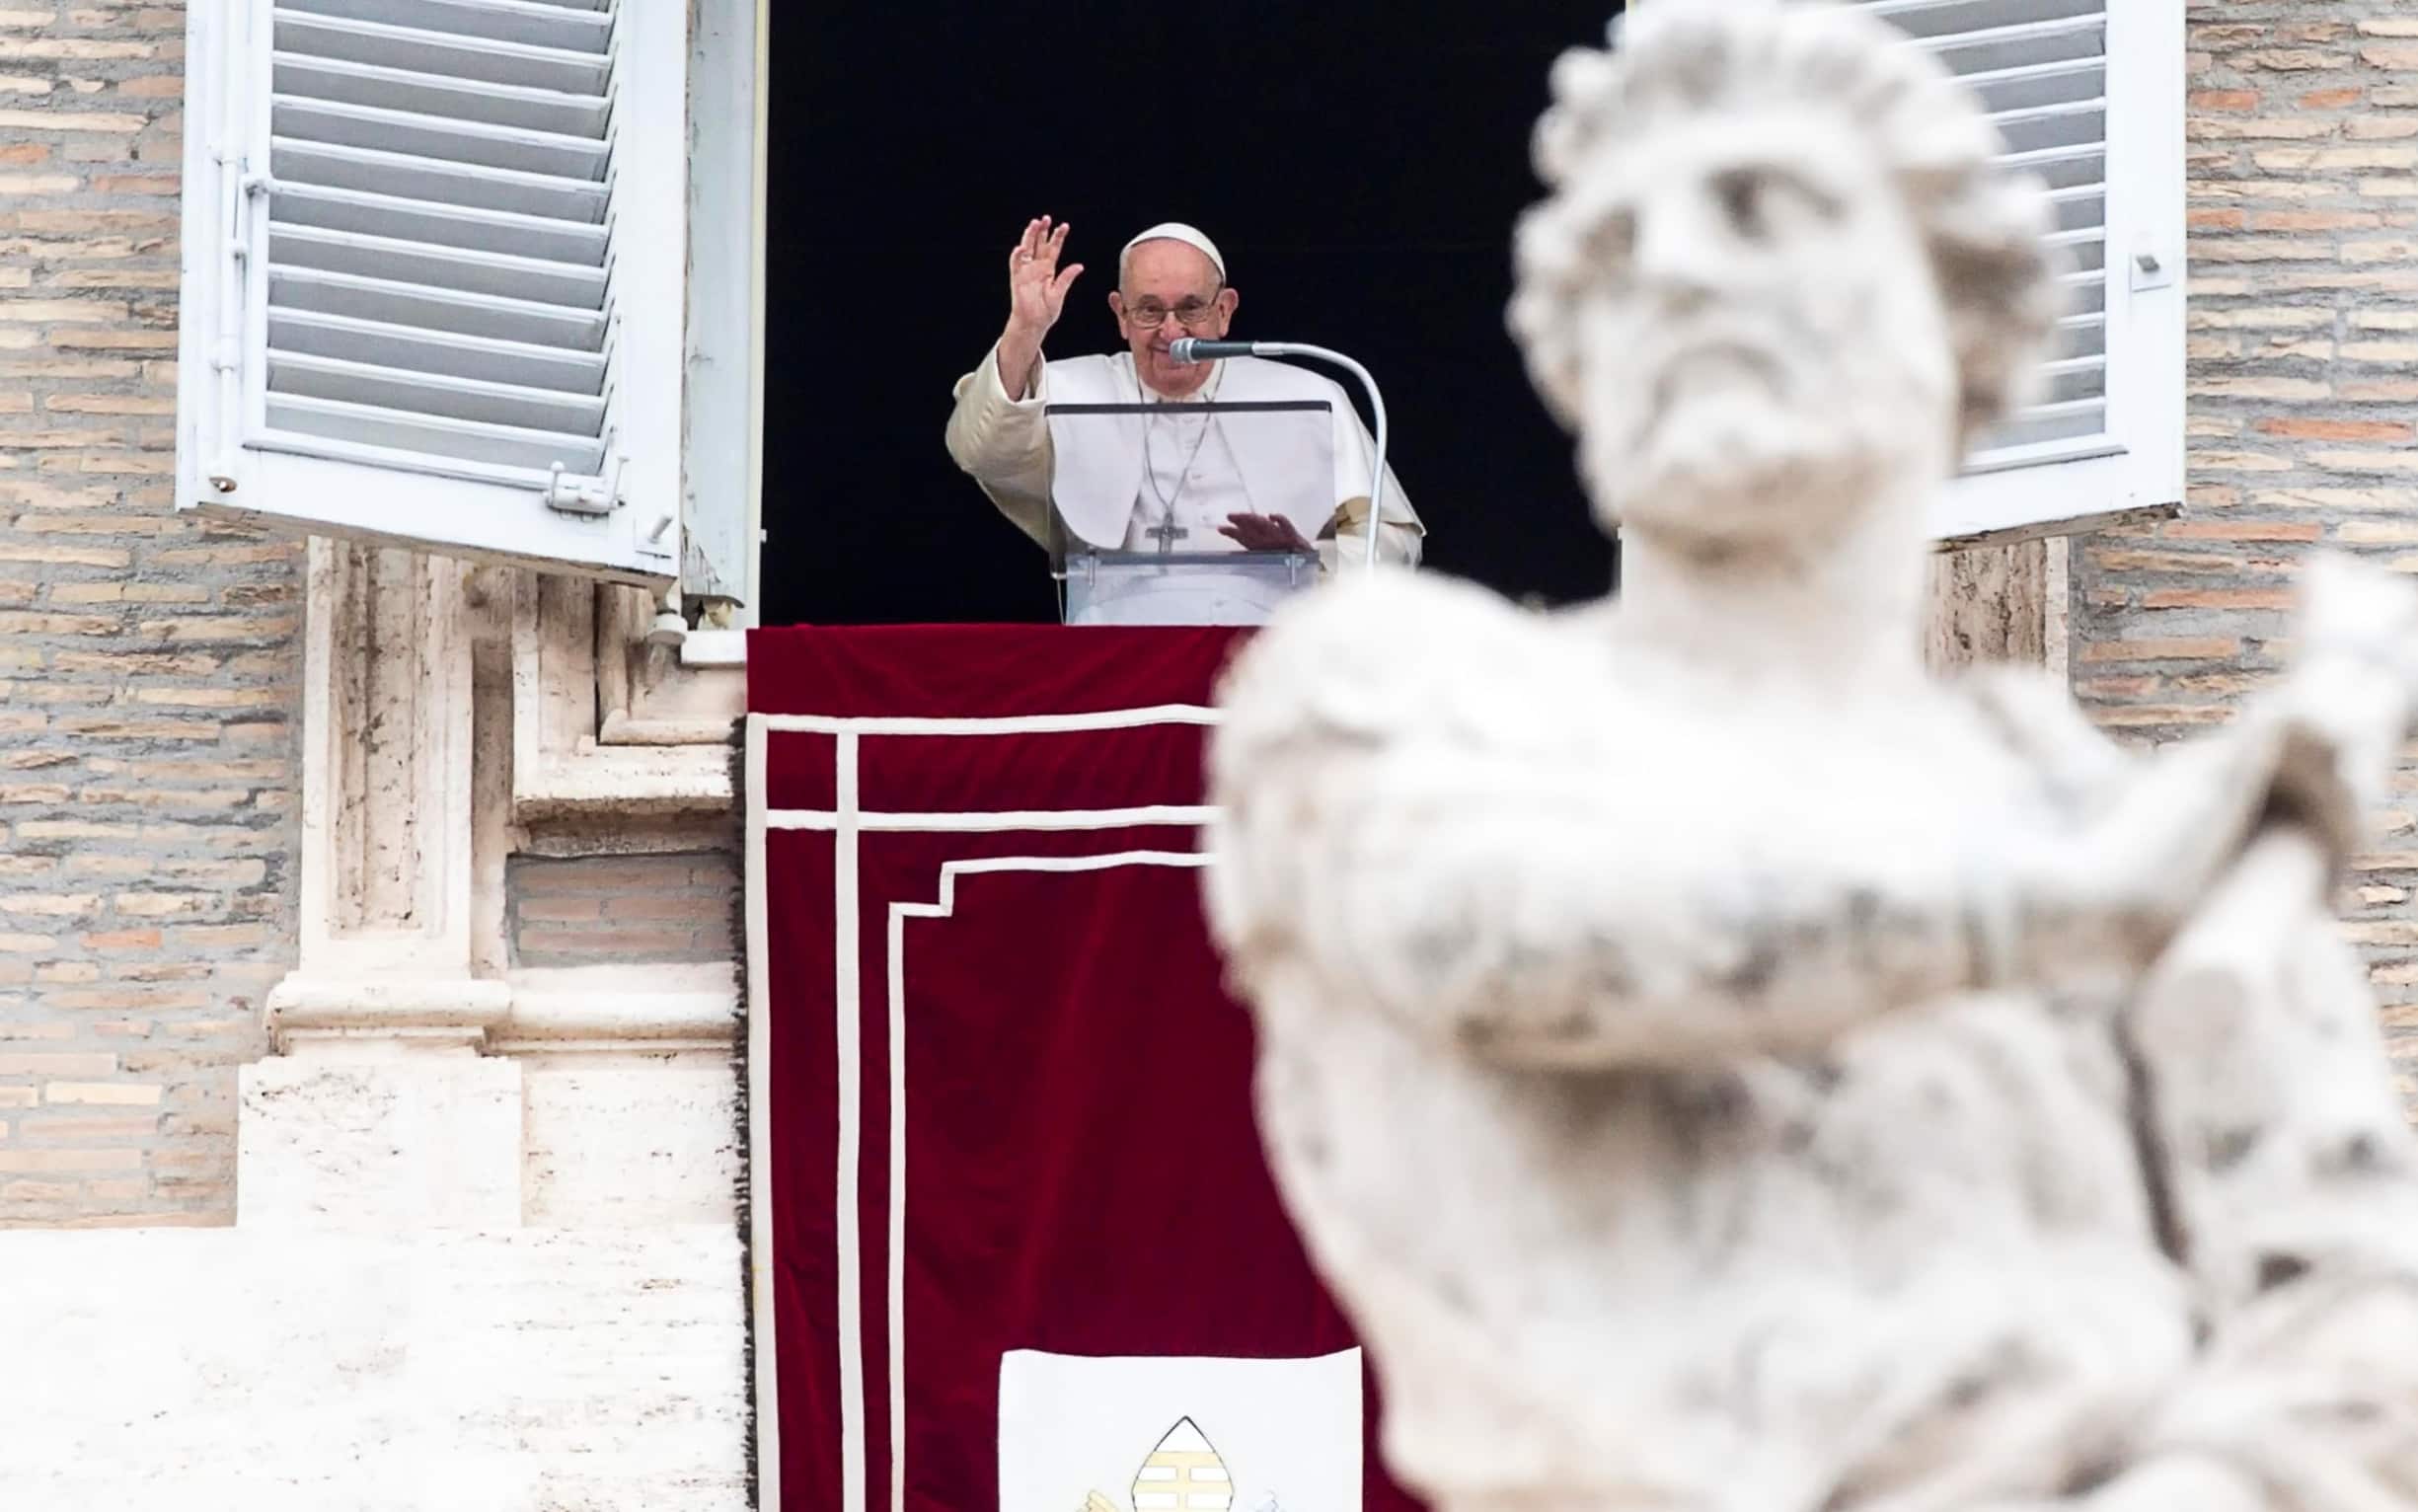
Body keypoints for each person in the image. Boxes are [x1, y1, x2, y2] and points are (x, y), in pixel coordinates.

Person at [945, 218, 1423, 622]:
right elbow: (978, 450)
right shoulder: (1069, 390)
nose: (1171, 331)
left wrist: (1312, 558)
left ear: (1224, 311)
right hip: (1116, 653)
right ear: (1121, 315)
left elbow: (1392, 540)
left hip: (1267, 655)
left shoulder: (1310, 394)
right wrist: (1024, 331)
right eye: (1150, 310)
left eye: (1190, 308)